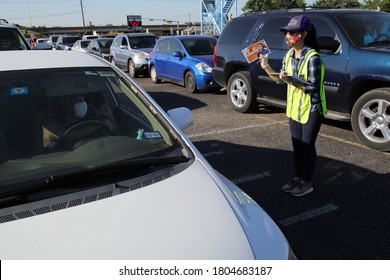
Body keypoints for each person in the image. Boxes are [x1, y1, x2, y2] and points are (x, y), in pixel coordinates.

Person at [259, 15, 327, 197]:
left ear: (303, 34)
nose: (288, 36)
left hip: (311, 109)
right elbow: (280, 81)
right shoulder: (288, 55)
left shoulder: (313, 57)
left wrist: (291, 80)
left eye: (292, 32)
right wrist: (266, 67)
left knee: (307, 146)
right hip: (294, 108)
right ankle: (298, 179)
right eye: (287, 32)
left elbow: (313, 87)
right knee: (297, 146)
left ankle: (306, 183)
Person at [42, 94, 117, 149]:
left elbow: (114, 136)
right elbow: (68, 137)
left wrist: (109, 116)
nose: (83, 103)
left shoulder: (91, 114)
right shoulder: (51, 122)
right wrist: (99, 125)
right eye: (78, 100)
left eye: (83, 99)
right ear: (67, 102)